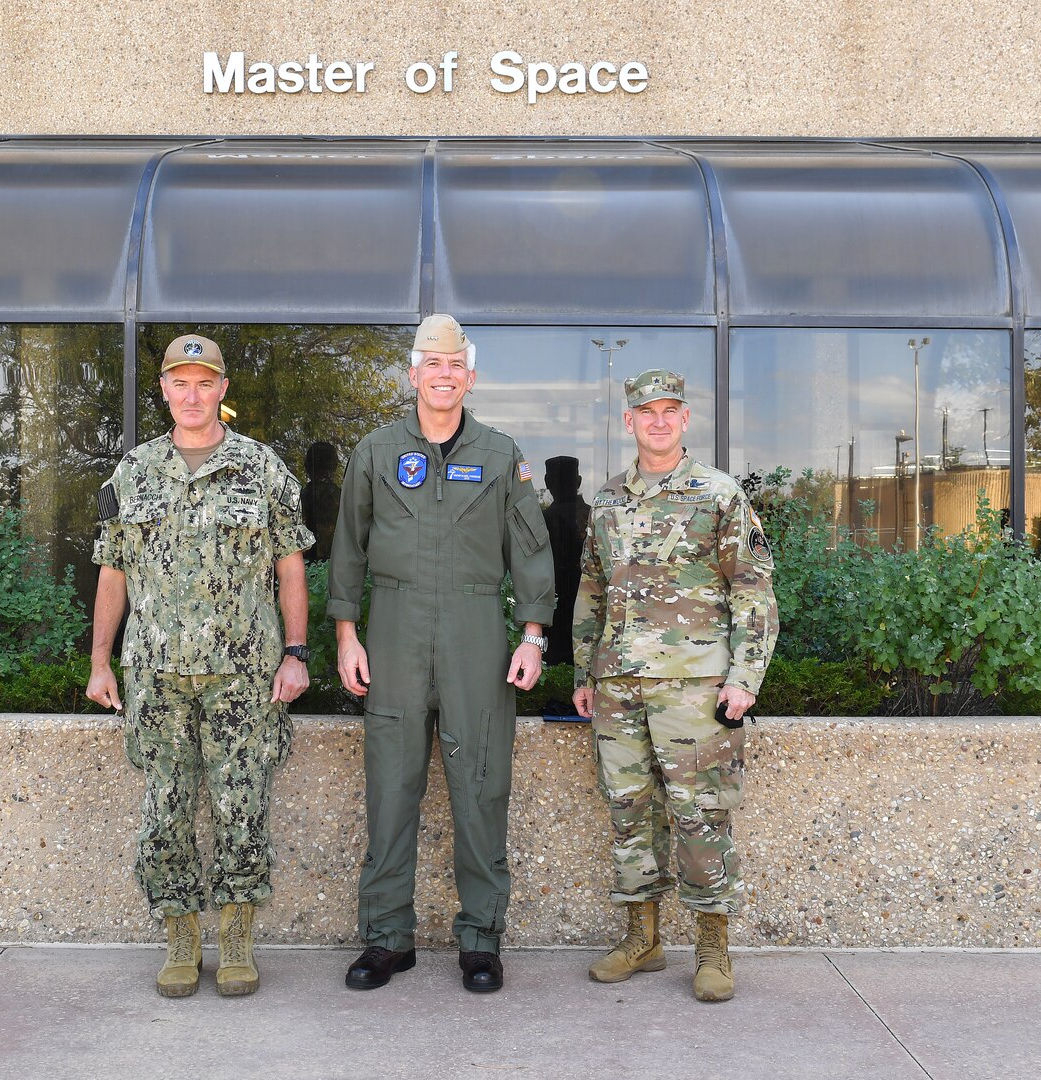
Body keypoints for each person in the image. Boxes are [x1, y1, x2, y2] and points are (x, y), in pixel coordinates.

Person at [327, 314, 557, 993]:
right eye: (433, 363)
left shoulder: (498, 453)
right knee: (390, 787)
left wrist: (533, 635)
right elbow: (348, 545)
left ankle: (481, 941)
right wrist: (346, 633)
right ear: (414, 374)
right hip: (394, 626)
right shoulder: (375, 450)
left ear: (470, 376)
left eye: (455, 363)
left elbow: (531, 550)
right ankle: (386, 939)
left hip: (476, 627)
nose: (445, 373)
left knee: (481, 787)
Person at [86, 334, 314, 999]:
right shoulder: (132, 472)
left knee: (243, 805)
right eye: (179, 382)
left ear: (222, 390)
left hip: (243, 673)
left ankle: (237, 938)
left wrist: (296, 654)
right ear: (163, 389)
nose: (192, 395)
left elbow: (291, 566)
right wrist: (100, 661)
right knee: (166, 807)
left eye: (204, 382)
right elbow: (112, 571)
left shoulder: (261, 468)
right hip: (155, 673)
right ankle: (182, 938)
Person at [572, 369, 778, 1003]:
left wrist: (745, 677)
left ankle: (713, 949)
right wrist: (584, 670)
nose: (657, 421)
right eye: (645, 412)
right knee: (629, 814)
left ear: (685, 420)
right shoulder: (606, 500)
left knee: (700, 817)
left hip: (696, 688)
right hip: (618, 685)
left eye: (669, 411)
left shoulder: (718, 494)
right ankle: (643, 938)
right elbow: (592, 589)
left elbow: (754, 589)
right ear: (628, 421)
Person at [541, 455, 591, 667]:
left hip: (576, 602)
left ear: (546, 483)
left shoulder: (542, 519)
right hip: (562, 605)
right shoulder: (591, 515)